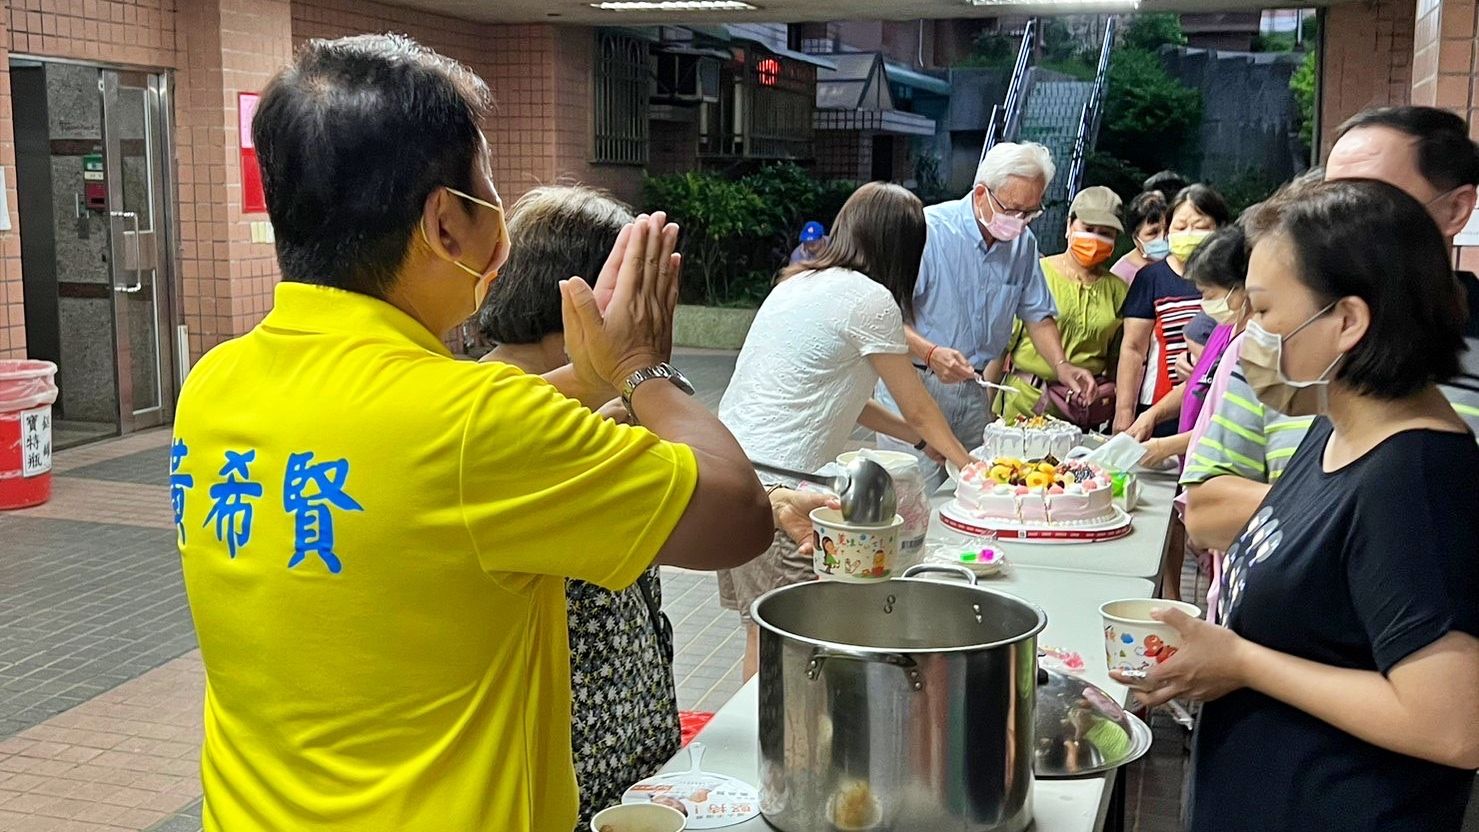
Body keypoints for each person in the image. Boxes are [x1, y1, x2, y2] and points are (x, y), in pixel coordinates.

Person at [172, 35, 774, 832]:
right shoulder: (475, 425)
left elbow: (411, 446)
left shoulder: (215, 382)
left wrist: (586, 381)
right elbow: (738, 516)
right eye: (489, 188)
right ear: (446, 222)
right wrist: (639, 368)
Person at [1114, 179, 1479, 832]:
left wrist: (1242, 661)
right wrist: (1216, 648)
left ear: (1346, 321)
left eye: (1261, 310)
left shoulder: (1413, 481)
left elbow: (1450, 725)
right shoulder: (1330, 427)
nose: (1244, 336)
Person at [477, 185, 830, 826]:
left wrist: (775, 496)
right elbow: (734, 521)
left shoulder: (543, 401)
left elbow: (682, 492)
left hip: (634, 741)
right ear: (583, 297)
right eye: (641, 290)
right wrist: (642, 370)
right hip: (573, 774)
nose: (653, 313)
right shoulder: (513, 428)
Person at [1185, 106, 1479, 555]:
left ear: (1456, 209)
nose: (1334, 219)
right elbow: (1204, 511)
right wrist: (1364, 510)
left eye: (1367, 199)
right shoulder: (1279, 339)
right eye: (1328, 196)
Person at [717, 181, 977, 678]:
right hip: (782, 489)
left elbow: (848, 400)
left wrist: (926, 444)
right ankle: (783, 746)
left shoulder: (796, 283)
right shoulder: (871, 300)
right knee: (793, 644)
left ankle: (761, 741)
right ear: (906, 249)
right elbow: (919, 407)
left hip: (729, 474)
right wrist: (969, 465)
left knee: (763, 631)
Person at [873, 142, 1095, 485]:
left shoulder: (1024, 244)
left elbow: (1037, 313)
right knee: (914, 499)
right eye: (1013, 210)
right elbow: (881, 317)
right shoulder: (927, 231)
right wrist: (930, 353)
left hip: (975, 388)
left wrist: (1062, 366)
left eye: (1031, 213)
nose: (1020, 223)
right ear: (981, 194)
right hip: (916, 382)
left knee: (979, 493)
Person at [995, 186, 1128, 424]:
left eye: (1106, 233)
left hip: (1081, 411)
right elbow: (1001, 346)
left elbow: (1117, 359)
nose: (1095, 239)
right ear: (1069, 226)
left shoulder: (1118, 290)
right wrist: (986, 405)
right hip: (1025, 403)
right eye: (1088, 229)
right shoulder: (1036, 273)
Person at [1114, 184, 1231, 438]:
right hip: (1157, 408)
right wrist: (1124, 412)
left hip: (1217, 406)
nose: (1189, 234)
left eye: (1200, 227)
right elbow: (1133, 348)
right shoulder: (1150, 278)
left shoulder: (1232, 282)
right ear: (1167, 232)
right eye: (1180, 227)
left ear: (1221, 230)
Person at [1110, 191, 1169, 285]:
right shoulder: (1121, 275)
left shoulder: (1178, 263)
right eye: (1153, 233)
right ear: (1135, 238)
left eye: (1167, 230)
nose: (1163, 237)